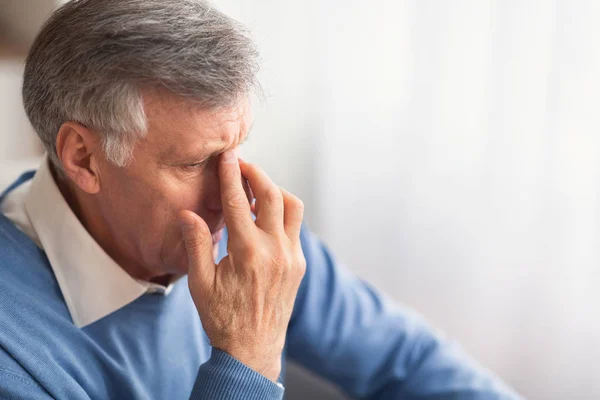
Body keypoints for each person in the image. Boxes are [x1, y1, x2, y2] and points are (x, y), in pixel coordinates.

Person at [0, 0, 522, 399]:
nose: (238, 195)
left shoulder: (249, 238)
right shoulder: (14, 355)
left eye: (236, 148)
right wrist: (245, 358)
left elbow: (405, 358)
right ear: (85, 158)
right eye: (194, 162)